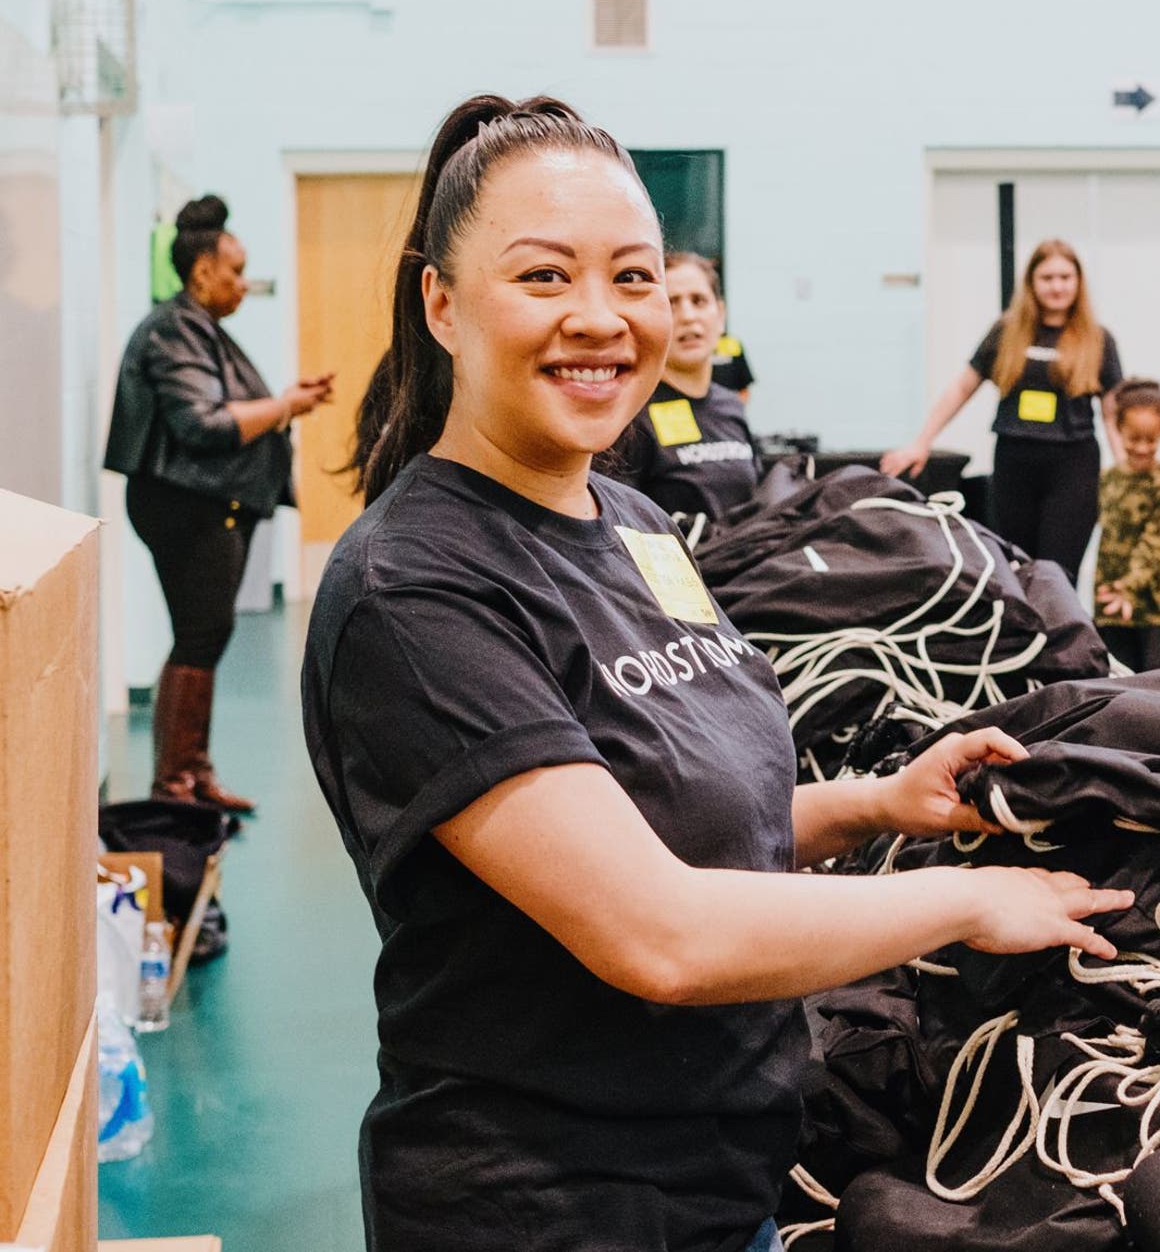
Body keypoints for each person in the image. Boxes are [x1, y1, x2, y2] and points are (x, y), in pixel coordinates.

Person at [300, 98, 1131, 1252]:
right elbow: (658, 929)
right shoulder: (414, 591)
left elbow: (669, 816)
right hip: (550, 1209)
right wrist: (968, 897)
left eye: (632, 277)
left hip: (724, 1179)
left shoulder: (635, 526)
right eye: (544, 277)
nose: (599, 318)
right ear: (440, 302)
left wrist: (869, 805)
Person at [105, 194, 333, 812]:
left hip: (206, 506)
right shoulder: (175, 330)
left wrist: (286, 399)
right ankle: (174, 785)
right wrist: (285, 406)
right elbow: (203, 426)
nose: (242, 284)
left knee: (206, 635)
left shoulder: (198, 330)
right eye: (234, 272)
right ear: (203, 272)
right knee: (200, 635)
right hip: (186, 508)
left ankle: (192, 774)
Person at [881, 239, 1123, 583]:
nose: (1057, 286)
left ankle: (1059, 635)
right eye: (1048, 277)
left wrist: (1129, 474)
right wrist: (921, 442)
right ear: (1032, 283)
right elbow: (962, 388)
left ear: (1078, 282)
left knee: (1057, 574)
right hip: (1014, 462)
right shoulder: (1007, 331)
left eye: (1065, 277)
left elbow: (1113, 415)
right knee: (1014, 568)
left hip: (1073, 466)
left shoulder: (1098, 339)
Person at [609, 250, 759, 521]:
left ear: (720, 314)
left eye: (699, 301)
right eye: (672, 303)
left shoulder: (731, 405)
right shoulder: (630, 413)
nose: (688, 316)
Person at [1093, 378, 1160, 671]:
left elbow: (1154, 544)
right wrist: (1111, 590)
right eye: (1134, 439)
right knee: (1116, 680)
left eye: (1152, 440)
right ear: (1118, 429)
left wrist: (1128, 587)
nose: (1143, 448)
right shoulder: (1108, 480)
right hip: (1110, 605)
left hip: (1151, 610)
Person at [711, 326, 755, 399]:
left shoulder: (733, 345)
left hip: (729, 404)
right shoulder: (695, 347)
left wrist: (735, 408)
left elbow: (743, 388)